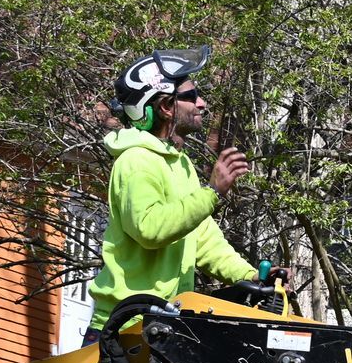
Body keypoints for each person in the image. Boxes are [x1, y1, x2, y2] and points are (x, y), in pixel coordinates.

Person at [86, 47, 273, 341]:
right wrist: (212, 192)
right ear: (166, 107)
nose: (203, 103)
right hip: (124, 330)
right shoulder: (136, 160)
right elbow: (150, 228)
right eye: (191, 96)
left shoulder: (179, 163)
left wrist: (251, 277)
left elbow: (204, 240)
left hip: (162, 327)